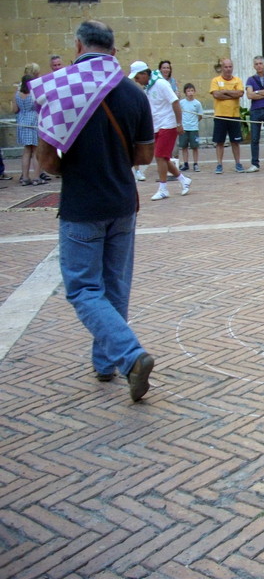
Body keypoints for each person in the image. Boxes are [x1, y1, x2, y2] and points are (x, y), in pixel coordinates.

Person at [34, 20, 156, 402]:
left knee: (84, 289)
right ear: (114, 50)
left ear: (78, 45)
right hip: (122, 201)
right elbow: (145, 155)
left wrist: (75, 166)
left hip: (82, 204)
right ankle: (106, 364)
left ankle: (130, 355)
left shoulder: (59, 87)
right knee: (114, 287)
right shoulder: (134, 93)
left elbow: (46, 160)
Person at [130, 61, 191, 200]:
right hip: (156, 125)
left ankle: (163, 188)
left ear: (144, 74)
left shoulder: (161, 84)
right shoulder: (148, 87)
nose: (136, 80)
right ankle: (183, 180)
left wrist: (179, 123)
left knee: (159, 156)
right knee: (163, 158)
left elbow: (175, 101)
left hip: (168, 125)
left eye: (137, 77)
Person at [209, 58, 245, 174]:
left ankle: (238, 163)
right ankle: (219, 164)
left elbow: (239, 93)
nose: (228, 69)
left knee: (235, 142)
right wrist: (231, 94)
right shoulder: (215, 80)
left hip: (234, 115)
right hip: (220, 115)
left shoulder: (237, 80)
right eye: (226, 67)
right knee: (219, 142)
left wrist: (224, 91)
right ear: (222, 68)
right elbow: (216, 94)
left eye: (230, 67)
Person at [14, 74, 40, 185]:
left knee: (26, 151)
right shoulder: (34, 94)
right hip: (33, 121)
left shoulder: (17, 95)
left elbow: (15, 109)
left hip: (22, 121)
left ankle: (25, 177)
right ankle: (37, 177)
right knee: (35, 151)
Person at [178, 83, 203, 172]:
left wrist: (194, 123)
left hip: (194, 128)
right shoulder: (181, 103)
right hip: (184, 128)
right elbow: (179, 114)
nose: (190, 93)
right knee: (184, 146)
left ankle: (195, 163)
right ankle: (185, 163)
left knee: (194, 147)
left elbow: (200, 116)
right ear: (185, 92)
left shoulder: (197, 103)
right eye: (188, 91)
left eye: (192, 90)